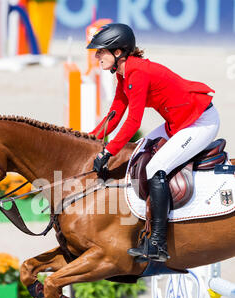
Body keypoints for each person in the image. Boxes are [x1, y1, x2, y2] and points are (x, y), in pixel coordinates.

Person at [87, 23, 220, 263]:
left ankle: (158, 242)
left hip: (200, 122)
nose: (97, 56)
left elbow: (133, 121)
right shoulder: (123, 72)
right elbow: (116, 112)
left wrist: (108, 151)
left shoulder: (137, 73)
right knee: (140, 152)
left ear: (118, 52)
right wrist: (90, 140)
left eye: (101, 51)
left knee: (155, 168)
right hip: (178, 122)